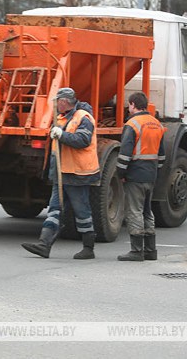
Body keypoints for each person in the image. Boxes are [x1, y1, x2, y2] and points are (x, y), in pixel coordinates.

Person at [21, 87, 100, 259]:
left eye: (57, 102)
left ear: (64, 101)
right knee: (54, 208)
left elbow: (83, 140)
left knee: (82, 211)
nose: (55, 105)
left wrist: (62, 135)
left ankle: (88, 248)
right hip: (62, 172)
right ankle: (44, 244)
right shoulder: (61, 118)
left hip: (78, 173)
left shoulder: (83, 118)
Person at [116, 92, 165, 262]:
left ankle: (136, 251)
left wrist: (121, 174)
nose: (128, 108)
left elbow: (124, 154)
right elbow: (162, 156)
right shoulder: (157, 124)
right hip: (150, 175)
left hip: (135, 175)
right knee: (147, 212)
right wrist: (154, 171)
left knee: (134, 211)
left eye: (129, 105)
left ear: (133, 105)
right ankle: (151, 250)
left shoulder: (133, 124)